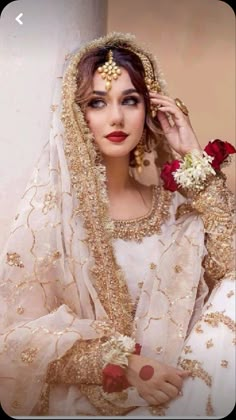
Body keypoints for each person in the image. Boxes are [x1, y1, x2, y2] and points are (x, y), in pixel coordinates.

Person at [0, 32, 235, 418]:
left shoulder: (175, 209)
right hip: (96, 400)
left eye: (130, 100)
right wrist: (123, 365)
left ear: (150, 110)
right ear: (78, 116)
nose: (116, 117)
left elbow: (229, 272)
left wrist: (192, 153)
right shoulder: (55, 219)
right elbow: (15, 342)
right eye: (97, 102)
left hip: (183, 386)